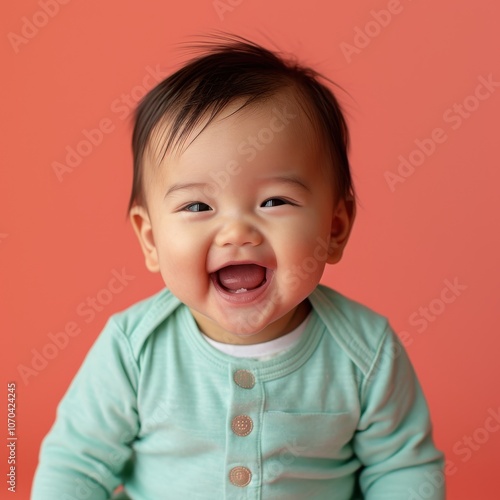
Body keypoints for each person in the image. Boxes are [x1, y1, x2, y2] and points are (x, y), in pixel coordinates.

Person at [32, 34, 445, 499]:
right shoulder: (135, 350)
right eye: (197, 206)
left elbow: (403, 468)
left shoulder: (365, 351)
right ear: (150, 239)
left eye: (274, 201)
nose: (236, 232)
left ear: (334, 228)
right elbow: (75, 465)